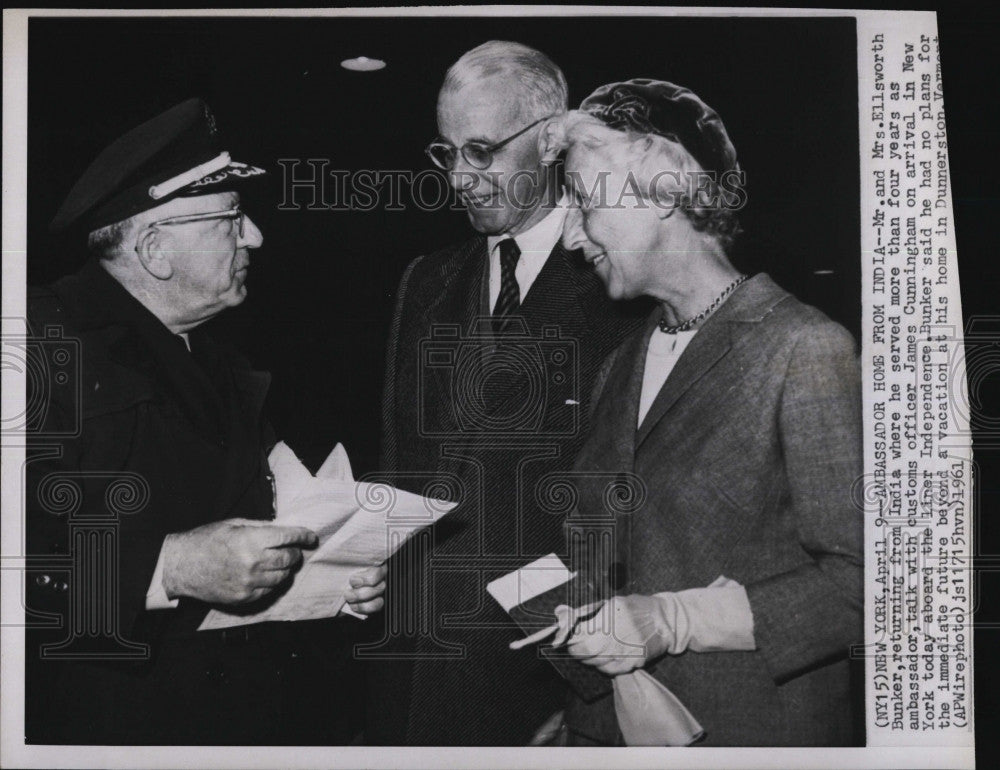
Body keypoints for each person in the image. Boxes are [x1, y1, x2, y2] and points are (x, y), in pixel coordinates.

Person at [25, 98, 385, 745]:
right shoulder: (35, 344)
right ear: (155, 248)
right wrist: (170, 566)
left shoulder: (218, 361)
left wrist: (326, 574)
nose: (255, 237)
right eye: (232, 218)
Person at [548, 79, 864, 746]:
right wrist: (580, 716)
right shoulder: (620, 365)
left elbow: (867, 587)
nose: (571, 237)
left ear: (661, 188)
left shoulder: (804, 347)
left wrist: (674, 619)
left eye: (580, 202)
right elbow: (608, 567)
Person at [368, 42, 648, 745]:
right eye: (446, 152)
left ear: (553, 139)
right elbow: (403, 466)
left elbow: (635, 515)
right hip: (414, 667)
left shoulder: (625, 290)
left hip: (545, 676)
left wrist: (580, 694)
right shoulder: (423, 280)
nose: (460, 177)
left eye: (483, 150)